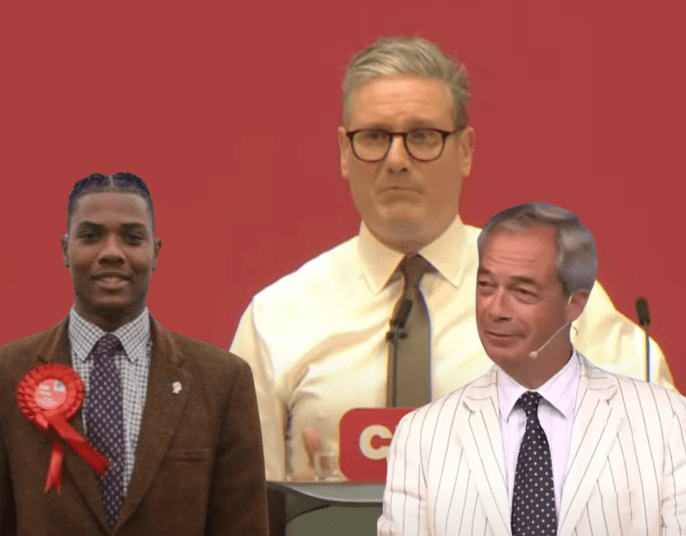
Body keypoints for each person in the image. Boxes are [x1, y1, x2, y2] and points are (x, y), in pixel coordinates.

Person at [229, 36, 675, 482]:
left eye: (423, 137)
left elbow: (668, 458)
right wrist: (302, 508)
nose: (396, 159)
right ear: (345, 152)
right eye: (374, 137)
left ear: (465, 151)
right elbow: (241, 520)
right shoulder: (277, 319)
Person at [0, 173, 270, 536]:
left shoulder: (222, 381)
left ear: (156, 251)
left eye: (132, 238)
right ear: (66, 250)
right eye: (91, 236)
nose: (112, 252)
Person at [377, 202, 686, 536]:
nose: (495, 309)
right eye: (486, 287)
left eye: (522, 292)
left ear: (575, 304)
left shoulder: (668, 423)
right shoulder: (421, 436)